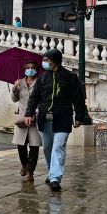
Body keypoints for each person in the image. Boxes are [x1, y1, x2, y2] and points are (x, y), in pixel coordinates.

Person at [25, 49, 86, 192]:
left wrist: (79, 116)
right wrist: (29, 113)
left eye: (47, 60)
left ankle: (55, 178)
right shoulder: (42, 78)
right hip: (45, 119)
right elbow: (34, 97)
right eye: (44, 60)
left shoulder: (70, 77)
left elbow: (78, 98)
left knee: (58, 147)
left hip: (63, 118)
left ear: (55, 61)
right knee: (47, 148)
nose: (44, 62)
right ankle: (51, 171)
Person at [12, 61, 42, 181]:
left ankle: (30, 172)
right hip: (22, 117)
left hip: (36, 118)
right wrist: (15, 89)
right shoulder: (19, 82)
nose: (30, 70)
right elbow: (14, 99)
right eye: (28, 67)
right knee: (21, 145)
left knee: (34, 146)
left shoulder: (40, 82)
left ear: (36, 69)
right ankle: (24, 165)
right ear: (24, 68)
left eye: (32, 68)